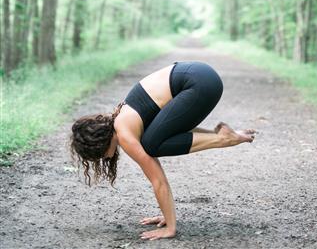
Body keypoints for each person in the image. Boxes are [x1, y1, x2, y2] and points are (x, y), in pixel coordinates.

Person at [70, 60, 256, 241]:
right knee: (152, 140)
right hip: (201, 76)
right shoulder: (122, 118)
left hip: (199, 84)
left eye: (96, 155)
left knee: (151, 146)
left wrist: (170, 227)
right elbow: (171, 126)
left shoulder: (125, 134)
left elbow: (158, 181)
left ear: (98, 144)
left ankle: (223, 138)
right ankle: (223, 135)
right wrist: (167, 215)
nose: (102, 158)